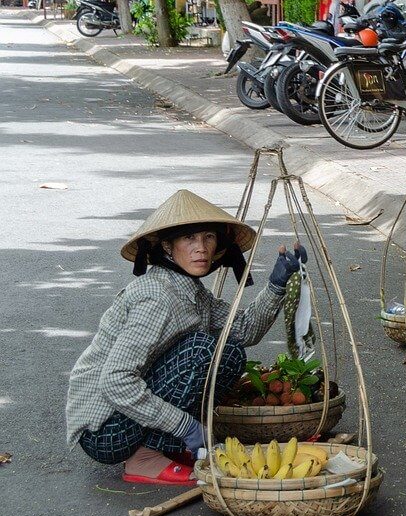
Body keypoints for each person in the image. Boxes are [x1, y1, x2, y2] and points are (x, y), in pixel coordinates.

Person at [65, 190, 306, 487]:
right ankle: (144, 457)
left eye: (208, 237)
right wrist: (186, 426)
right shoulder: (158, 297)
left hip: (128, 415)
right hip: (106, 430)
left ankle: (161, 447)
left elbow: (242, 329)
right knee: (202, 351)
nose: (201, 248)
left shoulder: (191, 292)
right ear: (168, 246)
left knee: (229, 353)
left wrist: (276, 285)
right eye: (189, 239)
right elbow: (115, 380)